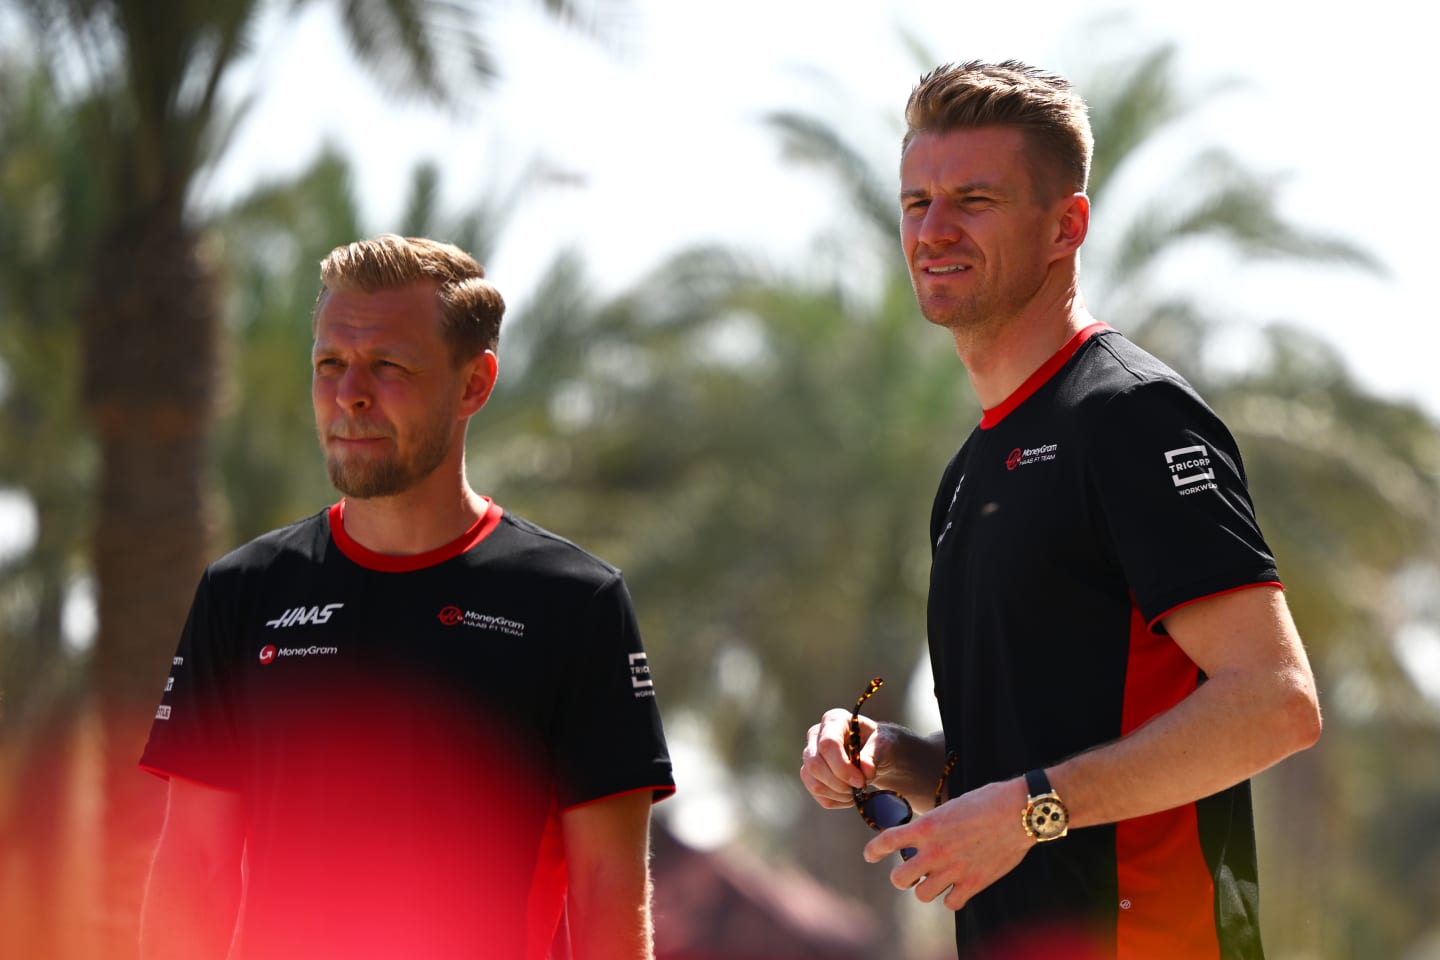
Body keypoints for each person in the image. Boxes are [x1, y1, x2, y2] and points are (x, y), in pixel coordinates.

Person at [799, 61, 1322, 959]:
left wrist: (1034, 808)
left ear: (1065, 226)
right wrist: (901, 760)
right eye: (916, 201)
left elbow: (1277, 703)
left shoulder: (1131, 416)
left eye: (974, 198)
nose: (934, 229)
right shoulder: (969, 471)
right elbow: (1012, 775)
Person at [138, 235, 675, 960]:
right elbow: (191, 869)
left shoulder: (575, 603)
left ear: (473, 385)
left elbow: (610, 891)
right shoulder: (243, 592)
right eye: (330, 364)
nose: (349, 392)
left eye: (387, 365)